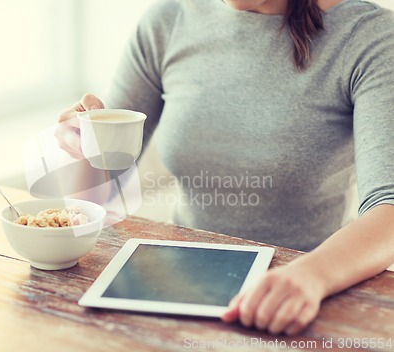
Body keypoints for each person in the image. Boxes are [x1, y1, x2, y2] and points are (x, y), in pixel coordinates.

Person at [56, 0, 394, 336]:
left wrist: (311, 275)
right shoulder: (168, 21)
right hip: (179, 295)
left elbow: (388, 206)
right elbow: (100, 192)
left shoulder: (369, 36)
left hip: (303, 296)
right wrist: (85, 146)